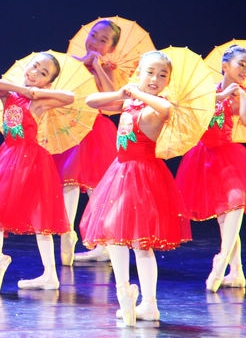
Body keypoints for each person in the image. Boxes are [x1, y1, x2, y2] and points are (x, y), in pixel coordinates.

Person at [79, 51, 191, 326]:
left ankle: (149, 304)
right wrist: (122, 92)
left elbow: (166, 110)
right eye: (149, 72)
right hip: (119, 172)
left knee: (142, 244)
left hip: (144, 177)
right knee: (113, 235)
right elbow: (90, 101)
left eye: (162, 75)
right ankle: (123, 293)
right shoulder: (129, 102)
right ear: (138, 72)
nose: (155, 79)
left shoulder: (159, 105)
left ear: (167, 81)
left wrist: (137, 93)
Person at [0, 52, 74, 293]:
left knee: (40, 217)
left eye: (43, 73)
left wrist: (39, 93)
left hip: (31, 160)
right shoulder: (10, 94)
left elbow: (69, 97)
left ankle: (50, 275)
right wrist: (24, 89)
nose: (35, 73)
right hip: (8, 156)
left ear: (48, 82)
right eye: (34, 66)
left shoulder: (38, 102)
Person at [175, 44, 246, 291]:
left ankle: (221, 262)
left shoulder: (238, 96)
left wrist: (242, 96)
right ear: (225, 66)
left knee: (236, 203)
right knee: (223, 218)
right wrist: (221, 95)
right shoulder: (207, 91)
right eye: (242, 64)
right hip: (203, 158)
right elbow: (189, 106)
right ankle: (237, 272)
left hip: (227, 156)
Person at [57, 19, 121, 264]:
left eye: (102, 40)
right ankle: (66, 231)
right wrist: (83, 63)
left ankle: (102, 243)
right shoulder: (70, 64)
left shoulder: (108, 68)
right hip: (72, 127)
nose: (95, 42)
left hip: (97, 130)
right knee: (69, 179)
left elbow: (113, 103)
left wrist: (98, 67)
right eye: (93, 36)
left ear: (111, 48)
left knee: (97, 187)